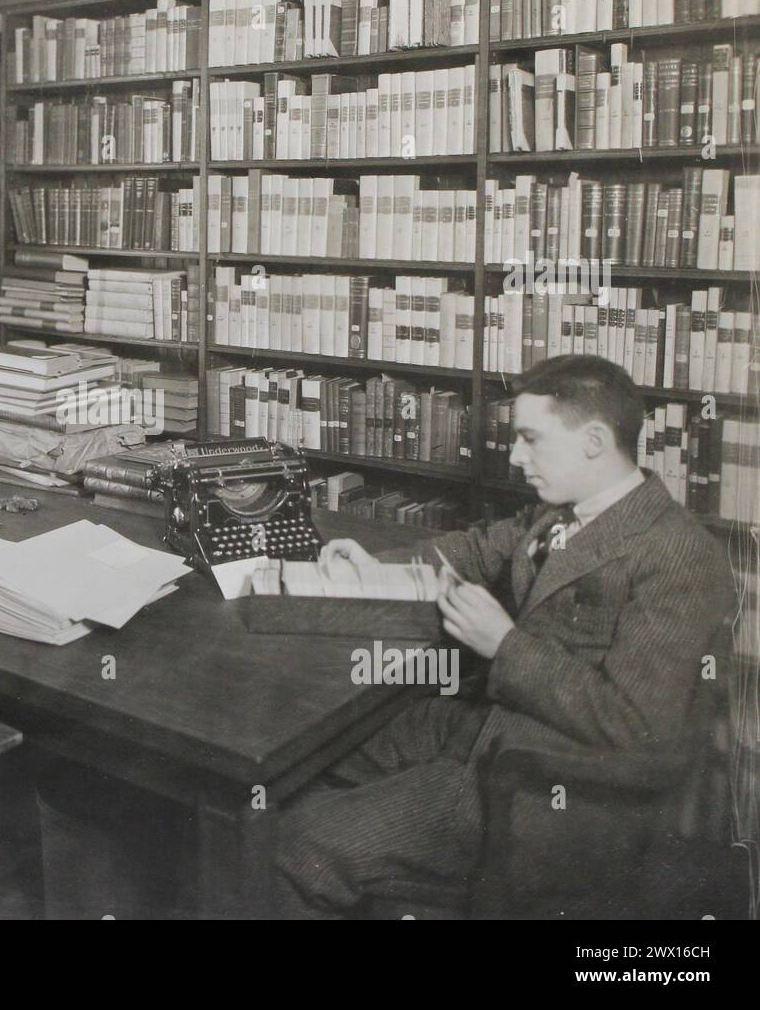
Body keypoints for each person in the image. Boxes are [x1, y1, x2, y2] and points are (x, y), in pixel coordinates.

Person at [274, 354, 736, 917]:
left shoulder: (678, 554)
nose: (516, 457)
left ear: (594, 440)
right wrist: (376, 567)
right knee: (301, 752)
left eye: (530, 439)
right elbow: (473, 549)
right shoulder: (562, 512)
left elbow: (639, 727)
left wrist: (505, 645)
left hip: (549, 788)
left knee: (299, 842)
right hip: (491, 727)